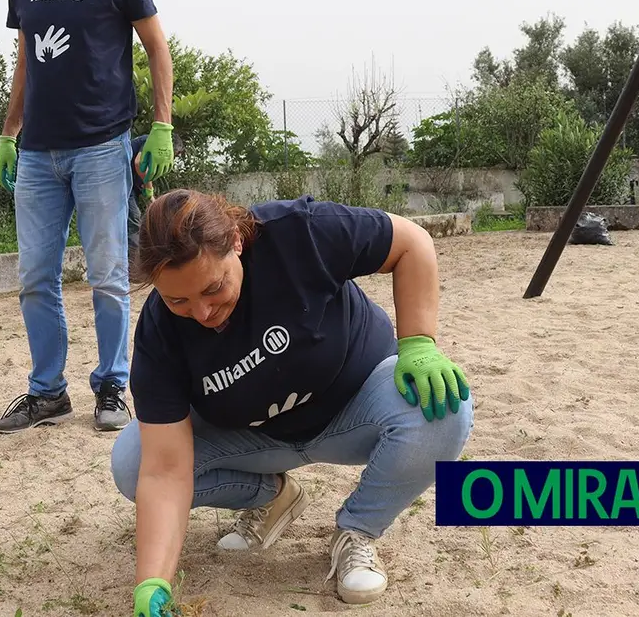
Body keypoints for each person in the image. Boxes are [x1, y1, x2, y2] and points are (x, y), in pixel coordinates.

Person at [110, 189, 475, 613]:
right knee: (133, 462)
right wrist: (152, 583)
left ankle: (356, 532)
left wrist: (418, 343)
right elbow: (164, 472)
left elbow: (412, 242)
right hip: (257, 440)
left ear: (236, 243)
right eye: (178, 300)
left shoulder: (298, 233)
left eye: (213, 288)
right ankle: (272, 496)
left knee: (444, 408)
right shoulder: (160, 334)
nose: (203, 312)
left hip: (354, 410)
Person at [0, 0, 176, 434]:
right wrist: (10, 134)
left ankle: (113, 386)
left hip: (100, 145)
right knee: (34, 277)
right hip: (37, 155)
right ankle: (47, 391)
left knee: (108, 273)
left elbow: (157, 48)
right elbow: (26, 62)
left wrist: (161, 125)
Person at [126, 130, 184, 264]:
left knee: (127, 221)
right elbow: (139, 163)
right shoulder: (149, 141)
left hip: (128, 185)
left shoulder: (152, 148)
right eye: (174, 154)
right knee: (134, 219)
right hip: (121, 180)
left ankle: (129, 264)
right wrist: (149, 189)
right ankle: (135, 266)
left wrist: (151, 197)